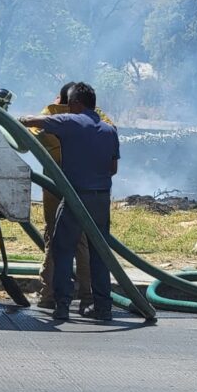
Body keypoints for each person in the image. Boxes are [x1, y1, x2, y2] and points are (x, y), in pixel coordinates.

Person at [20, 82, 120, 321]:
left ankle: (62, 305)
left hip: (75, 197)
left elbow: (33, 122)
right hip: (101, 198)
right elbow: (113, 169)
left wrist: (21, 118)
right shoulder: (110, 130)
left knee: (62, 249)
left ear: (73, 104)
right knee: (100, 253)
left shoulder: (69, 121)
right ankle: (103, 308)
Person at [31, 82, 93, 312]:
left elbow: (30, 134)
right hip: (83, 187)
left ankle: (49, 295)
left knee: (53, 239)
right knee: (82, 241)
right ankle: (88, 297)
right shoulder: (92, 120)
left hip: (54, 189)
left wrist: (56, 107)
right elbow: (107, 127)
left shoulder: (50, 116)